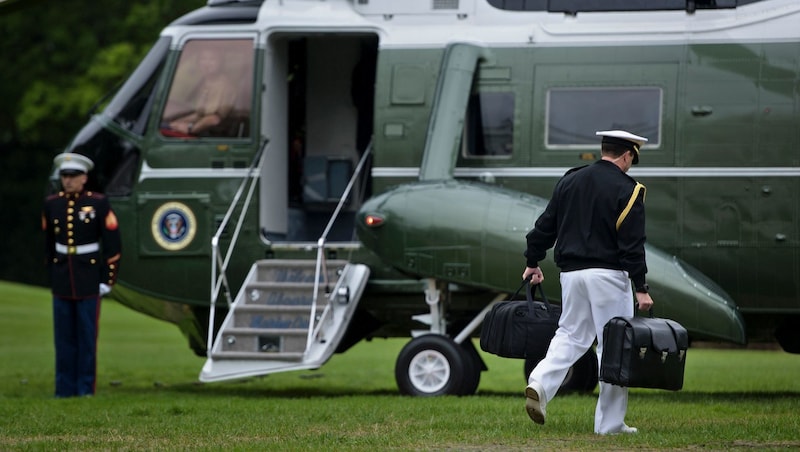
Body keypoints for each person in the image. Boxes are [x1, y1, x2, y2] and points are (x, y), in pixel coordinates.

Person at [521, 130, 655, 434]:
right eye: (633, 158)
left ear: (604, 150)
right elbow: (632, 245)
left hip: (571, 275)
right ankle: (609, 425)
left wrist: (532, 261)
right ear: (627, 155)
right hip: (608, 277)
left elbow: (545, 226)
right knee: (614, 346)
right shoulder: (630, 190)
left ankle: (540, 383)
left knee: (570, 335)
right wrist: (642, 287)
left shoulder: (570, 180)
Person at [42, 153, 122, 398]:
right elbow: (48, 243)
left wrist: (107, 279)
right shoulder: (52, 204)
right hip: (63, 278)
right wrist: (53, 272)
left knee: (86, 338)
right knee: (63, 339)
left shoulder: (98, 203)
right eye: (65, 176)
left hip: (88, 278)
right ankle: (63, 389)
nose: (68, 181)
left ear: (84, 177)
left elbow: (112, 244)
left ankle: (85, 388)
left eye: (73, 176)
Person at [163, 48, 236, 137]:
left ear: (220, 63)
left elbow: (214, 119)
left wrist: (190, 128)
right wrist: (176, 123)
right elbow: (200, 114)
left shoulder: (223, 86)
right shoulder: (207, 82)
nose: (206, 64)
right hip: (204, 129)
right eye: (203, 59)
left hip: (214, 135)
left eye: (212, 59)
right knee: (165, 126)